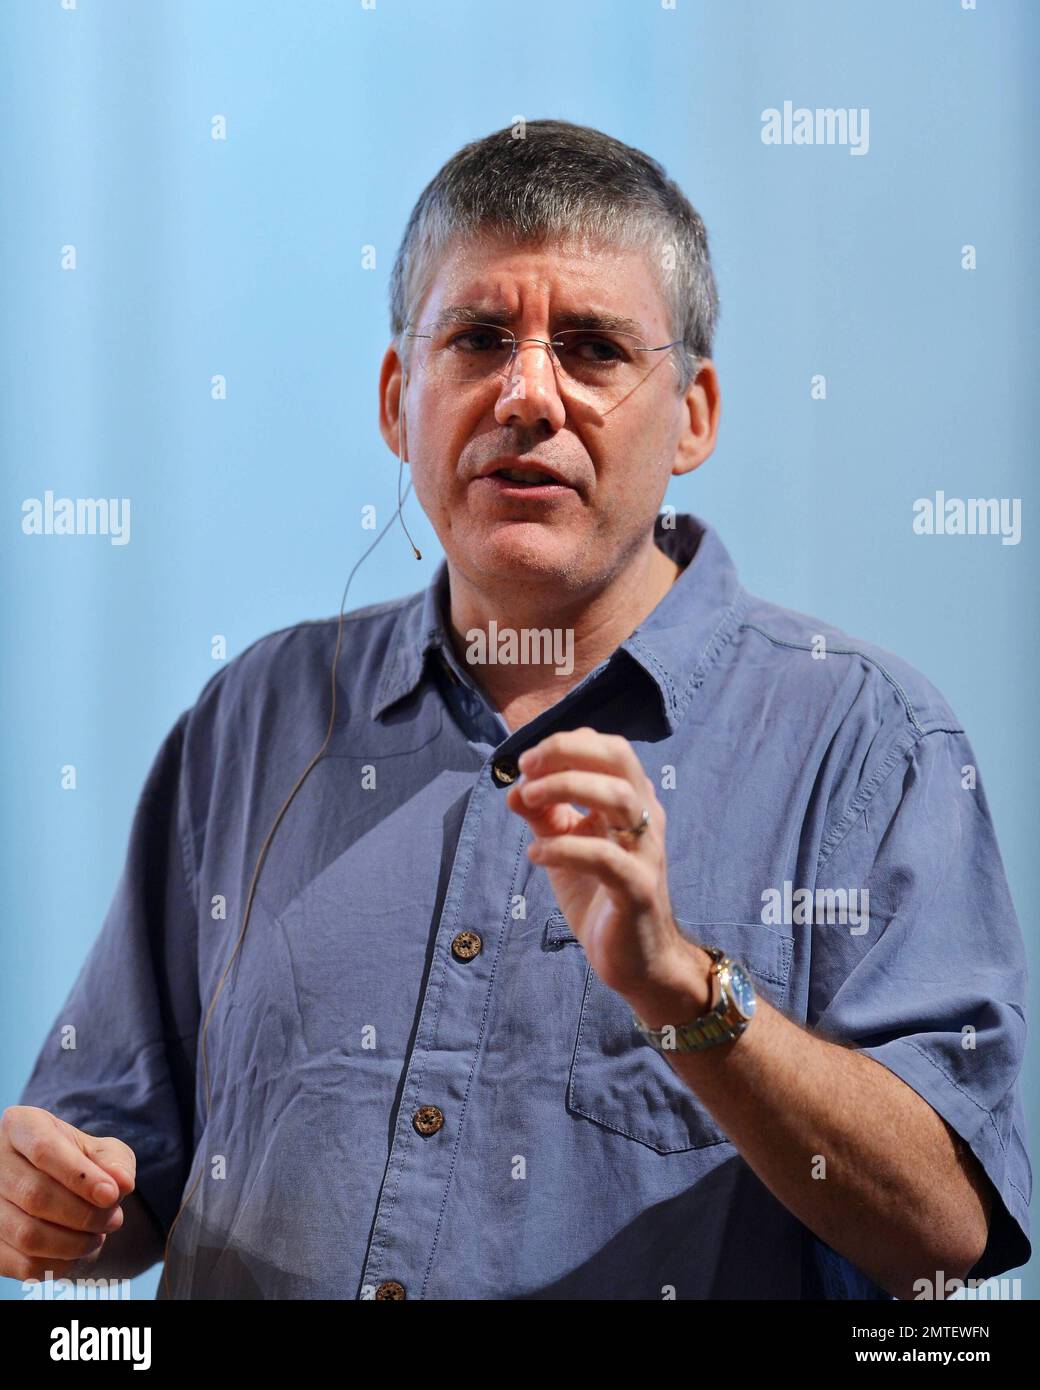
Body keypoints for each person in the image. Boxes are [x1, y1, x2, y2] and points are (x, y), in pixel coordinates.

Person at [2, 120, 1030, 1300]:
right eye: (479, 338)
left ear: (692, 415)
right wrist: (62, 1201)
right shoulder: (256, 717)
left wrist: (679, 989)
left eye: (591, 349)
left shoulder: (863, 741)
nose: (528, 394)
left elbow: (942, 1223)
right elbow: (116, 1164)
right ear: (400, 398)